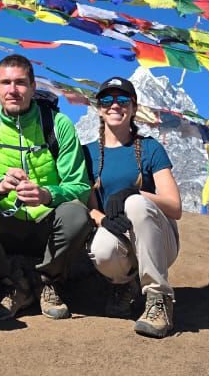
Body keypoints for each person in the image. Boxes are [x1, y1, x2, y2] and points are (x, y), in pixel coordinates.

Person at [0, 54, 92, 320]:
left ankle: (47, 281)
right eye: (6, 83)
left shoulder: (58, 125)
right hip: (1, 222)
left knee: (77, 214)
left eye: (21, 83)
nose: (13, 90)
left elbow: (80, 186)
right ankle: (16, 284)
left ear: (34, 87)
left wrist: (48, 194)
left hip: (47, 223)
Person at [86, 76, 182, 338]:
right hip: (119, 235)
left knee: (137, 203)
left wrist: (134, 192)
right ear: (99, 108)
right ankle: (123, 285)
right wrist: (102, 220)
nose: (114, 105)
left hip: (159, 240)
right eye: (107, 100)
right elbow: (90, 207)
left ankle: (159, 298)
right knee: (101, 249)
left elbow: (175, 207)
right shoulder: (88, 153)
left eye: (122, 100)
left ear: (134, 107)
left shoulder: (151, 148)